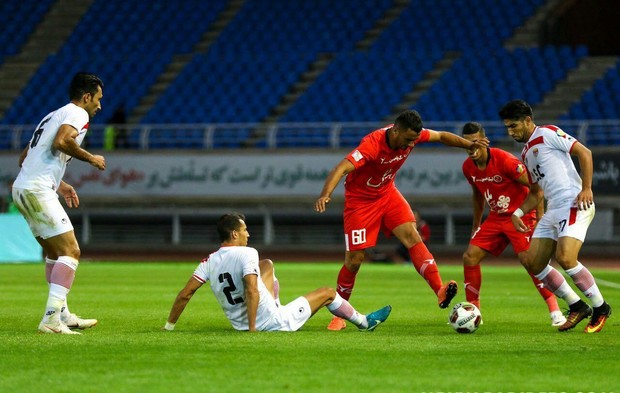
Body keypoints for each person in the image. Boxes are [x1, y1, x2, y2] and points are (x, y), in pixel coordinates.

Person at [314, 109, 489, 331]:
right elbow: (341, 168)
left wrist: (468, 145)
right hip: (360, 203)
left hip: (387, 194)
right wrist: (325, 194)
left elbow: (442, 136)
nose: (411, 144)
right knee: (355, 259)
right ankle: (339, 315)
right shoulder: (372, 144)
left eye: (414, 139)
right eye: (408, 139)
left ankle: (440, 290)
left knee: (412, 236)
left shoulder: (412, 137)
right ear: (395, 131)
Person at [163, 213, 392, 332]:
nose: (248, 234)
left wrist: (169, 325)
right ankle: (364, 322)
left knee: (267, 265)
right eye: (244, 230)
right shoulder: (247, 253)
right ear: (234, 234)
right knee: (328, 293)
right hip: (271, 323)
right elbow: (252, 291)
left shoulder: (209, 261)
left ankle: (274, 304)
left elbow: (185, 294)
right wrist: (253, 330)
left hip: (238, 322)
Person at [499, 99, 612, 333]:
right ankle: (577, 305)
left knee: (565, 257)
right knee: (533, 262)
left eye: (514, 126)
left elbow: (585, 152)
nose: (511, 132)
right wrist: (518, 212)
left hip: (573, 201)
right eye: (508, 127)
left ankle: (601, 308)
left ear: (528, 121)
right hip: (553, 209)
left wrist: (587, 188)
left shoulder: (547, 133)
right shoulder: (526, 152)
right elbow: (536, 192)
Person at [12, 72, 106, 334]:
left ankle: (62, 314)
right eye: (98, 99)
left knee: (55, 253)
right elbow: (62, 141)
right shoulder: (78, 114)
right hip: (37, 190)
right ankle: (51, 319)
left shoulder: (52, 115)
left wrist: (60, 185)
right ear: (86, 97)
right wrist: (91, 159)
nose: (99, 105)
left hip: (23, 188)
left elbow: (25, 157)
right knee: (71, 252)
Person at [460, 122, 565, 326]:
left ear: (485, 141)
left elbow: (538, 189)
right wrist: (476, 224)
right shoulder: (467, 167)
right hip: (496, 218)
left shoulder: (506, 160)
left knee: (531, 262)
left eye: (475, 143)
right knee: (470, 256)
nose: (471, 149)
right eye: (466, 144)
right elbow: (478, 196)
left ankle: (555, 310)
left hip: (521, 216)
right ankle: (474, 312)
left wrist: (540, 219)